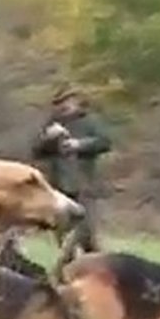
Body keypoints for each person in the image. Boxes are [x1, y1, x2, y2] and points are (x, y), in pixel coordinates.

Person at [30, 85, 112, 268]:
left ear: (77, 101)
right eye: (61, 102)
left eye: (69, 100)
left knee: (86, 234)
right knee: (63, 233)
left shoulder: (89, 121)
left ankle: (99, 272)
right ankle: (68, 272)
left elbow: (105, 142)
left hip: (84, 185)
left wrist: (79, 145)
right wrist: (49, 139)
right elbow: (36, 151)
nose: (65, 105)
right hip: (60, 187)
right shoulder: (52, 124)